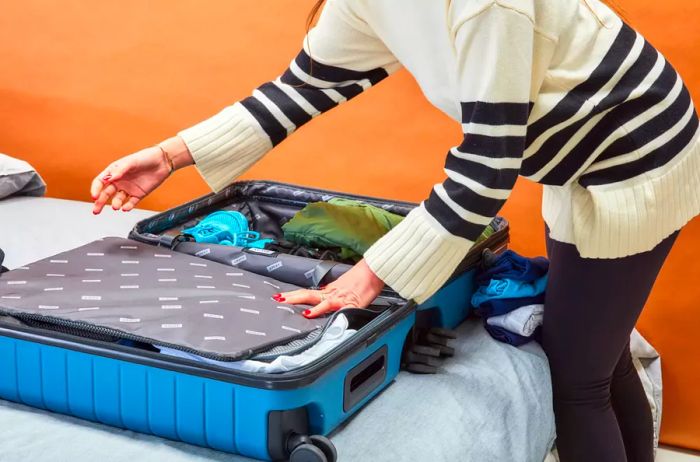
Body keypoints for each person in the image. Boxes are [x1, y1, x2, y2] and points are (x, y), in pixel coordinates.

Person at [90, 1, 700, 460]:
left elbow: (487, 169)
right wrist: (171, 155)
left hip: (636, 159)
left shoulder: (488, 6)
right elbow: (300, 89)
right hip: (576, 160)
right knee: (600, 347)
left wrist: (369, 276)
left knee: (577, 374)